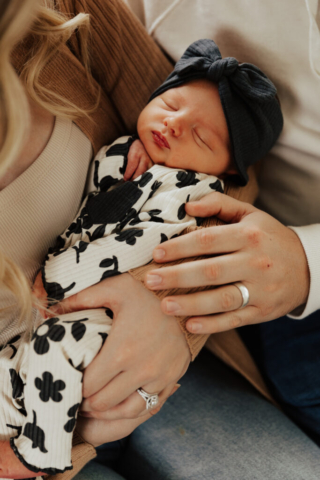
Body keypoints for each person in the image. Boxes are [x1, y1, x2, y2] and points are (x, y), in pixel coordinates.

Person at [0, 1, 319, 480]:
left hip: (109, 338)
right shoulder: (137, 157)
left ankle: (39, 449)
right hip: (76, 388)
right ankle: (38, 451)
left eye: (202, 138)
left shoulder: (65, 15)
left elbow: (229, 198)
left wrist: (169, 307)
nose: (170, 125)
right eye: (169, 108)